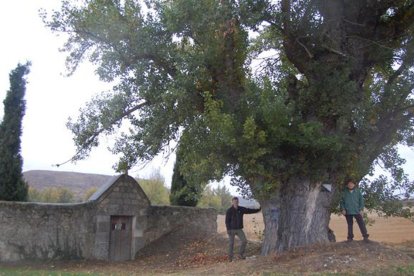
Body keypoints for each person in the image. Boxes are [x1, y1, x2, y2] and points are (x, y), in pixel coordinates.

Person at [225, 196, 261, 261]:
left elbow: (249, 210)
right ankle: (230, 258)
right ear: (232, 202)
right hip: (231, 230)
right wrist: (228, 229)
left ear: (238, 202)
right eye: (234, 201)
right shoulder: (229, 210)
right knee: (231, 243)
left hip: (239, 229)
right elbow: (227, 221)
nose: (235, 202)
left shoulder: (241, 209)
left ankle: (240, 255)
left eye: (237, 201)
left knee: (244, 241)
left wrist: (258, 209)